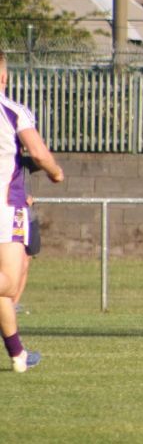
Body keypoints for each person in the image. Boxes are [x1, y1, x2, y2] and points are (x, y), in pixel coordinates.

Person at [0, 51, 63, 371]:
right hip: (4, 206)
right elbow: (38, 152)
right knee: (9, 285)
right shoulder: (12, 111)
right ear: (4, 77)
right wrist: (55, 172)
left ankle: (18, 355)